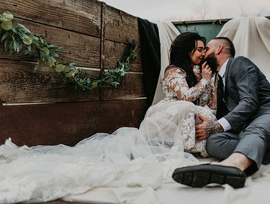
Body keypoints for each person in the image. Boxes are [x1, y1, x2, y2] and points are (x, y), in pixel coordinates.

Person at [0, 32, 218, 203]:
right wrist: (205, 81)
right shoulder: (173, 72)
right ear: (187, 50)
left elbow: (209, 105)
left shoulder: (198, 75)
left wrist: (210, 82)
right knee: (184, 108)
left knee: (201, 113)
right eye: (198, 49)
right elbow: (186, 98)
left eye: (203, 49)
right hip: (165, 118)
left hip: (183, 117)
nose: (202, 53)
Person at [172, 37, 270, 189]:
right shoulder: (219, 82)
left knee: (254, 130)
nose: (203, 54)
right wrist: (209, 124)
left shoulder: (240, 63)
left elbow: (249, 102)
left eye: (206, 48)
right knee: (213, 143)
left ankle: (233, 166)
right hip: (249, 129)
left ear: (219, 49)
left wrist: (218, 125)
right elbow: (226, 115)